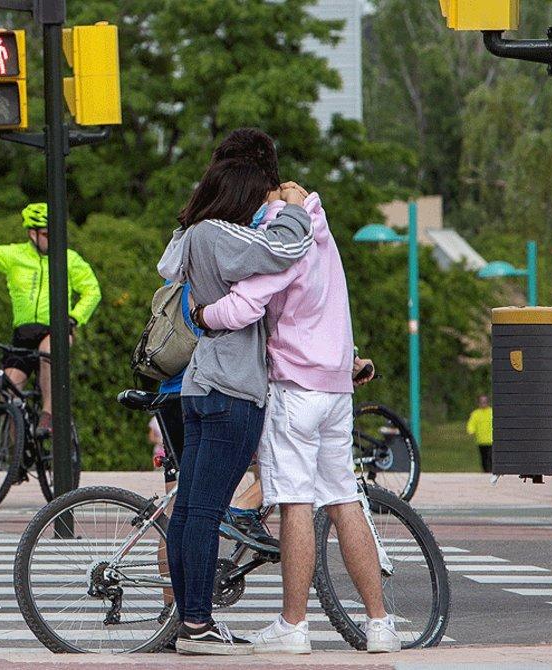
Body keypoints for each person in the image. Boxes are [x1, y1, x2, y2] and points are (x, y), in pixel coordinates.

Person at [198, 170, 400, 653]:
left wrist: (201, 315)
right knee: (344, 501)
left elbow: (246, 306)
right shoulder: (325, 237)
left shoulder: (284, 235)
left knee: (295, 504)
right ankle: (380, 624)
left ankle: (293, 624)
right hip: (336, 389)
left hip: (296, 388)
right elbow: (332, 309)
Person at [156, 128, 315, 655]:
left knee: (188, 511)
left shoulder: (190, 235)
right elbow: (286, 246)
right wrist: (294, 204)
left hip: (201, 384)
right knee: (203, 513)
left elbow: (166, 267)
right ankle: (197, 625)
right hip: (232, 388)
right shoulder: (222, 235)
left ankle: (189, 620)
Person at [0, 200, 101, 434]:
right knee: (9, 391)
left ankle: (49, 414)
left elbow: (92, 290)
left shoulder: (70, 259)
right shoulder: (15, 255)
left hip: (55, 328)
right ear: (32, 233)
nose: (53, 238)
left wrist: (74, 317)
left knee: (50, 351)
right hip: (24, 333)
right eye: (47, 234)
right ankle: (18, 463)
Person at [467, 395, 494, 473]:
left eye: (485, 402)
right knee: (484, 457)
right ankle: (486, 472)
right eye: (481, 402)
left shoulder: (492, 412)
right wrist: (471, 430)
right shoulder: (476, 414)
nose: (483, 403)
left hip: (491, 440)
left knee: (491, 457)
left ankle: (491, 471)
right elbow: (471, 423)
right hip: (481, 440)